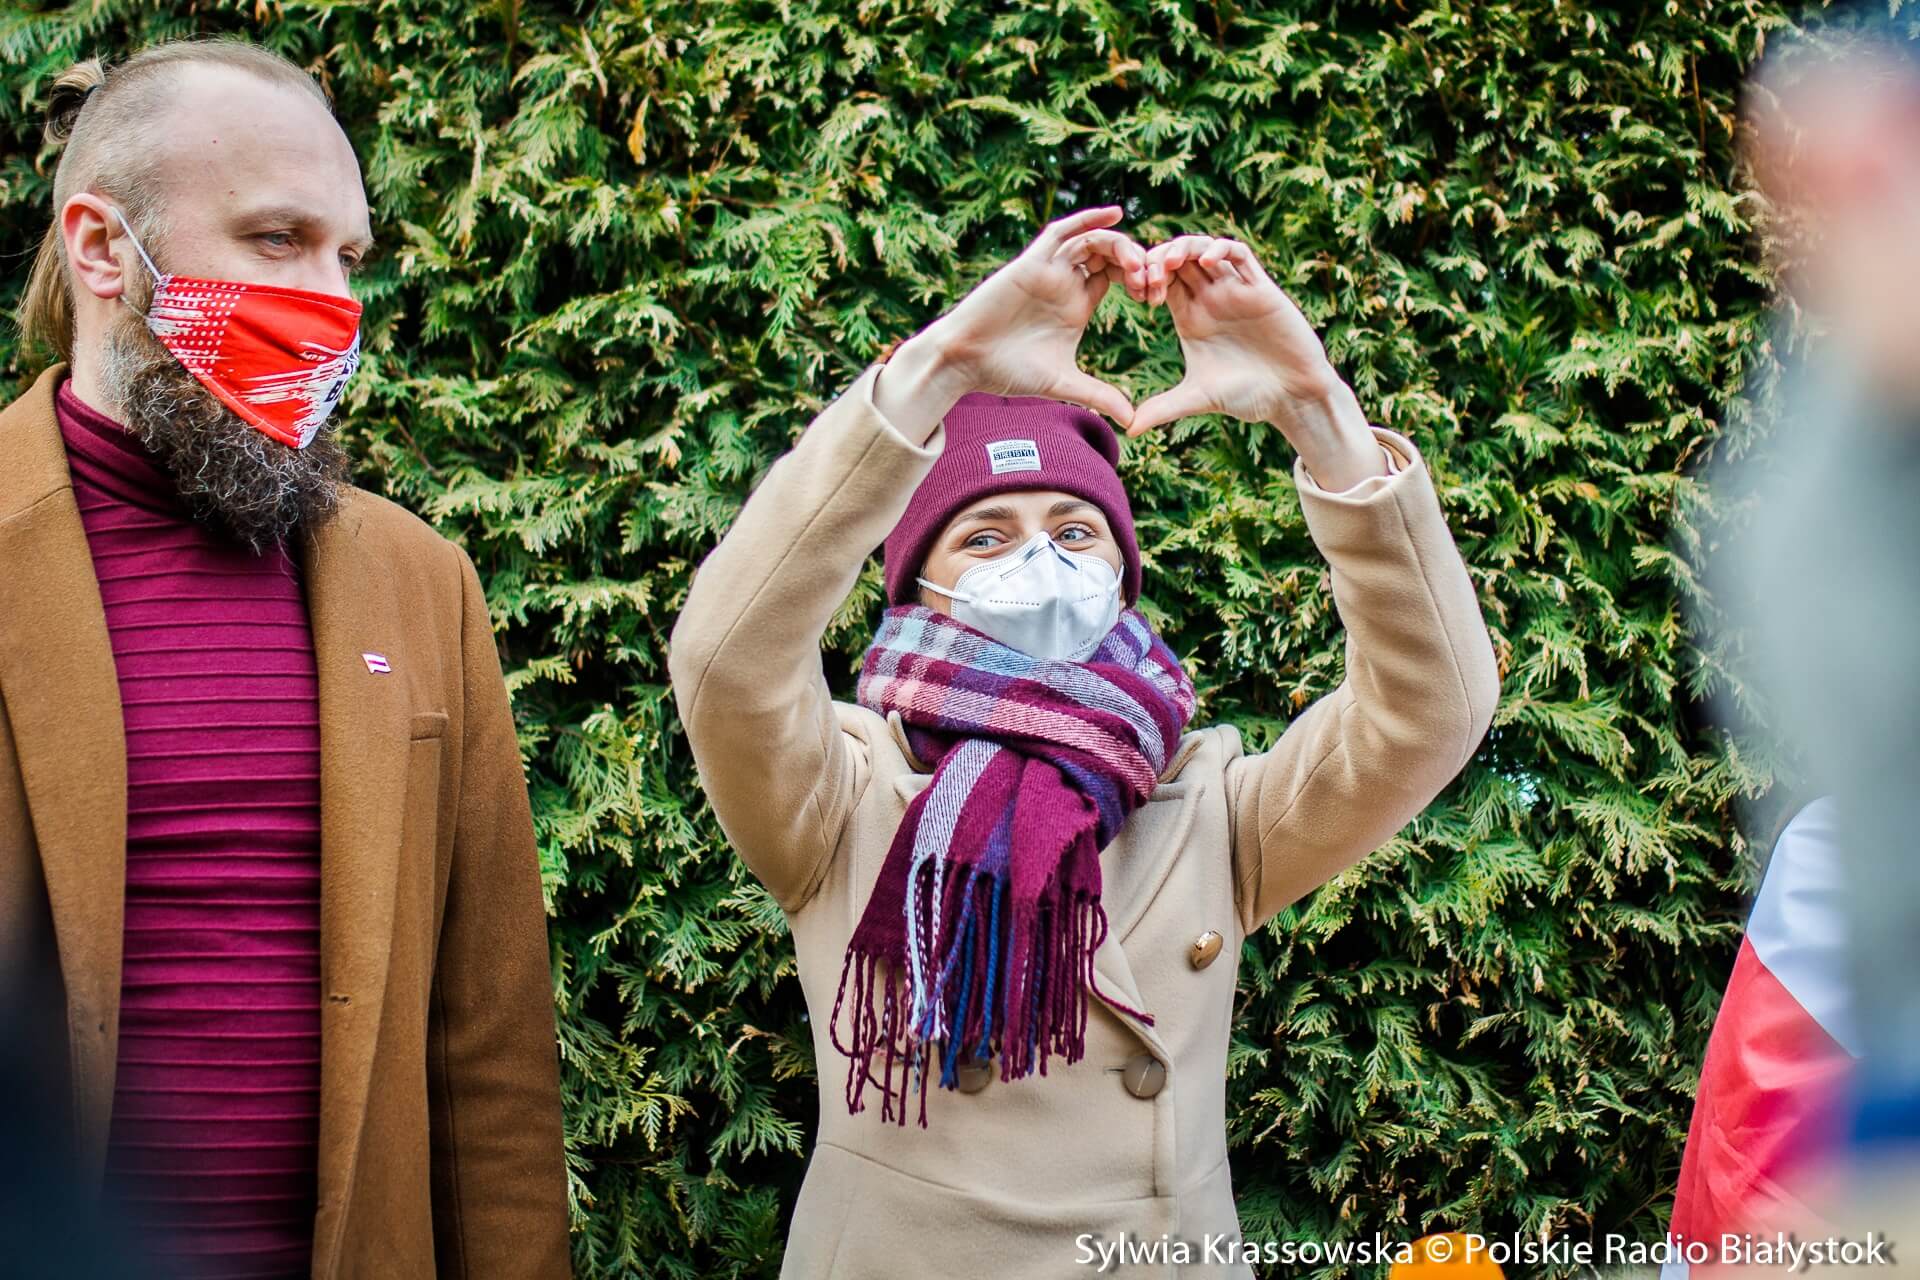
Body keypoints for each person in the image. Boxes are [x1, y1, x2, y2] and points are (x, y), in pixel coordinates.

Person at [668, 206, 1500, 1276]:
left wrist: (1318, 412)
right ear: (918, 586)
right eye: (986, 536)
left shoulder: (1209, 804)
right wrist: (940, 368)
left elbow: (1432, 711)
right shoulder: (842, 793)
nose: (1043, 562)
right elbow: (726, 658)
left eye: (1075, 532)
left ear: (1120, 573)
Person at [1, 39, 569, 1277]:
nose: (333, 301)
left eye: (348, 257)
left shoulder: (423, 584)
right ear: (101, 248)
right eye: (276, 239)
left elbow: (492, 1061)